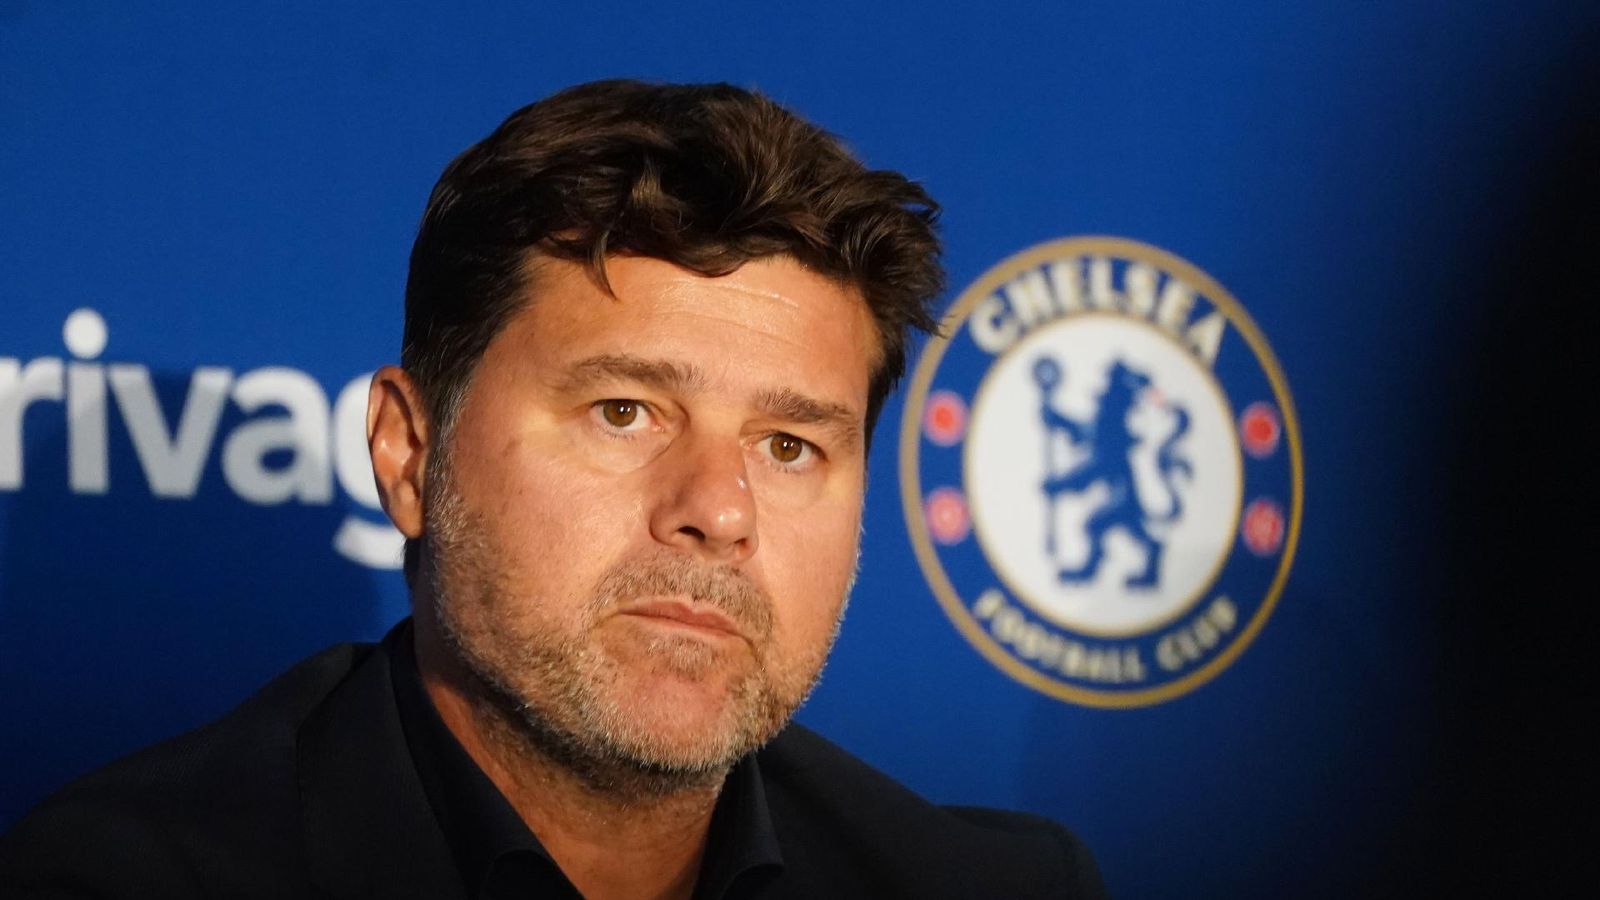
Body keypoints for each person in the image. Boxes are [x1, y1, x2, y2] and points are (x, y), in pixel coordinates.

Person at [0, 79, 1107, 899]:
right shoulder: (124, 877)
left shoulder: (990, 886)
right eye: (624, 411)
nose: (720, 511)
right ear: (408, 454)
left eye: (787, 446)